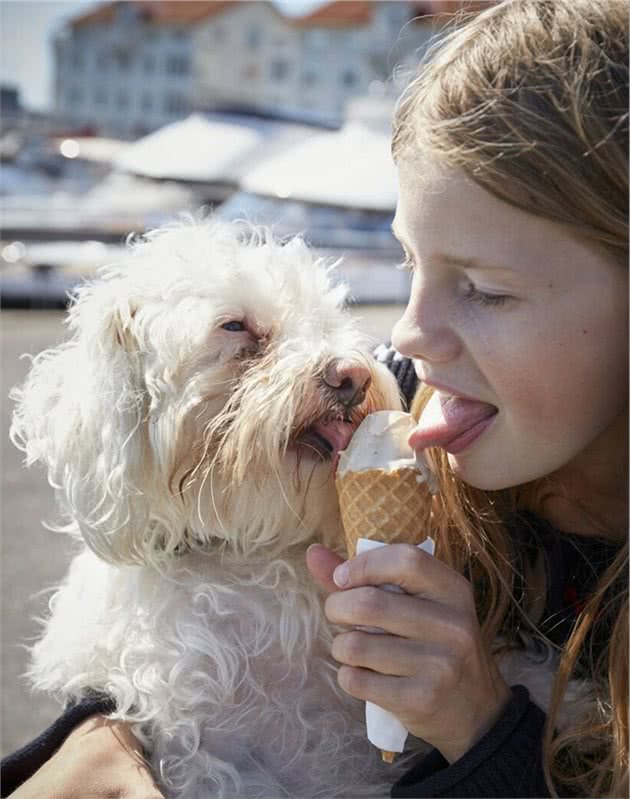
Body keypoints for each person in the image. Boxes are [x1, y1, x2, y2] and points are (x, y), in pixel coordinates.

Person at [2, 0, 628, 796]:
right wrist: (106, 735)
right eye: (412, 265)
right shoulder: (392, 408)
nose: (404, 338)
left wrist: (484, 733)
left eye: (483, 290)